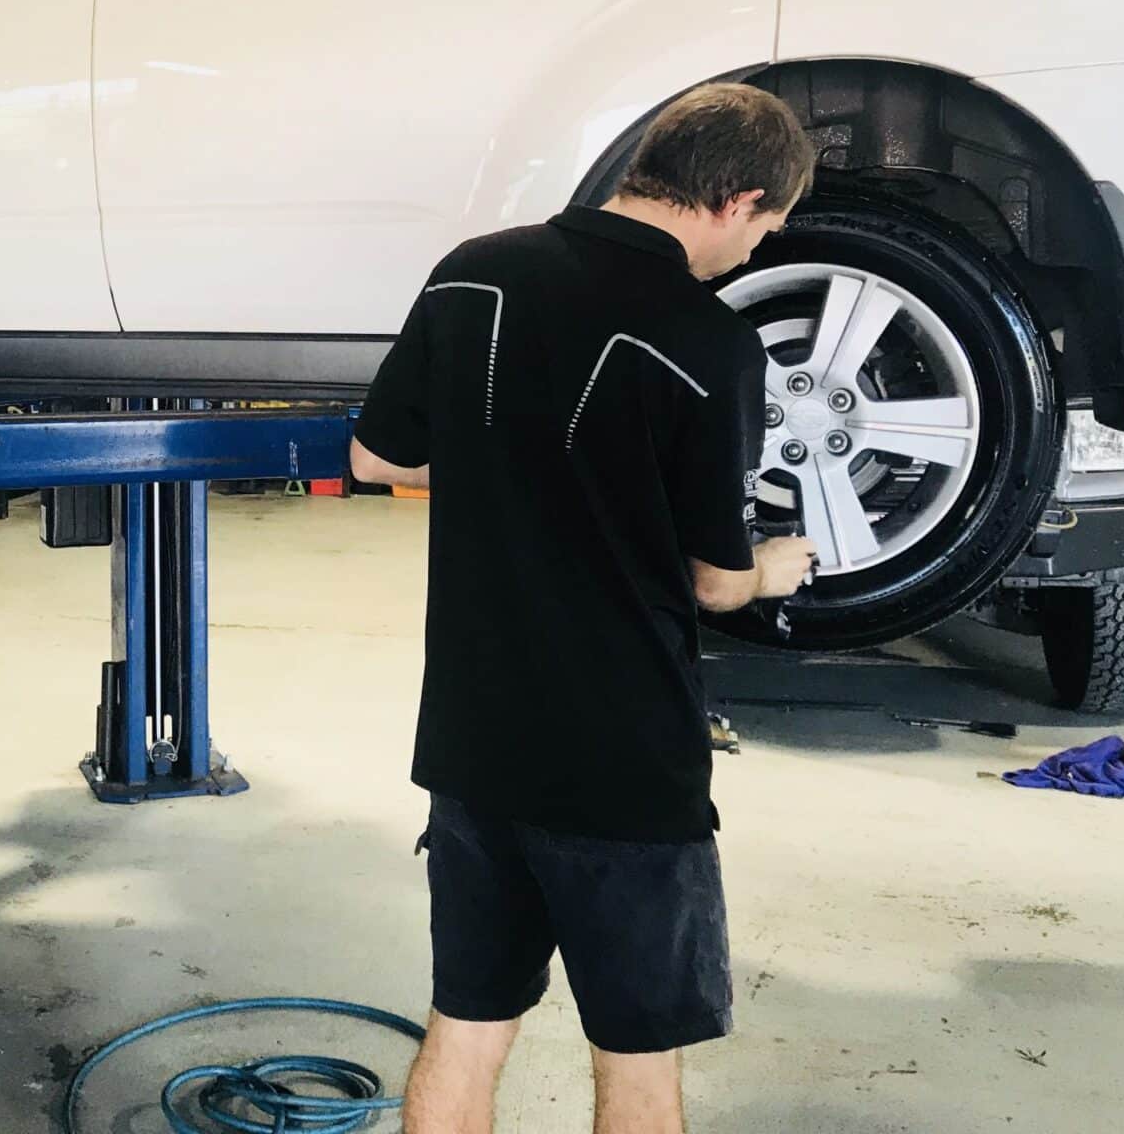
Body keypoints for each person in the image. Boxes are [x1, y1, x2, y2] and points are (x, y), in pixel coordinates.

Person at [350, 82, 821, 1134]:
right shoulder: (708, 344)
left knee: (463, 1030)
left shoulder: (472, 273)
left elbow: (376, 456)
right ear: (735, 199)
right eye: (764, 228)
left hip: (472, 744)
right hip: (620, 766)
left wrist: (498, 474)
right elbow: (710, 579)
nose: (751, 254)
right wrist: (774, 568)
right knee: (636, 1066)